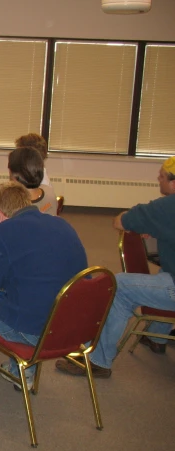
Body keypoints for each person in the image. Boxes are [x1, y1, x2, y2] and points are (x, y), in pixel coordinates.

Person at [0, 181, 87, 399]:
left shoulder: (2, 232)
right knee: (30, 290)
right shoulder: (62, 224)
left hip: (35, 332)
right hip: (70, 327)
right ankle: (22, 374)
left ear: (0, 215)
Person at [56, 156, 175, 377]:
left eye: (161, 176)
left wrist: (150, 222)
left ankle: (99, 361)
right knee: (163, 273)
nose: (158, 179)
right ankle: (157, 336)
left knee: (118, 286)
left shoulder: (168, 206)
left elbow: (120, 221)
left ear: (173, 182)